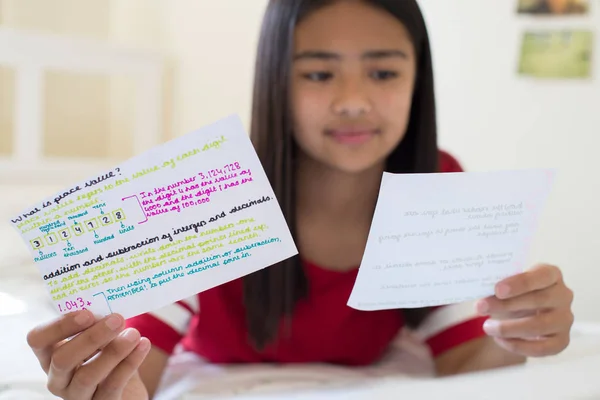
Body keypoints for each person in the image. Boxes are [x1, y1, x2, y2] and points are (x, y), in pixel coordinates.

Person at [25, 1, 575, 399]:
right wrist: (98, 385)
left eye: (383, 72)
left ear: (417, 81)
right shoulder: (210, 196)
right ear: (276, 82)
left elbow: (464, 362)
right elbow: (135, 374)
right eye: (318, 73)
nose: (354, 101)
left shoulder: (436, 180)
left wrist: (521, 335)